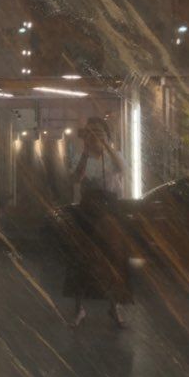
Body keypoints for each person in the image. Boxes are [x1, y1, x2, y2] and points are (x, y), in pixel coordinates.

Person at [70, 116, 129, 328]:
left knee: (113, 258)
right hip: (88, 210)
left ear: (106, 134)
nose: (94, 135)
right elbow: (76, 178)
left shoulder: (115, 155)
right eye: (90, 131)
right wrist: (86, 151)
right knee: (82, 257)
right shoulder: (81, 156)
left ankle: (115, 305)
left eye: (98, 131)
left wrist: (106, 144)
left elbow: (122, 169)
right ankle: (79, 308)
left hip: (111, 210)